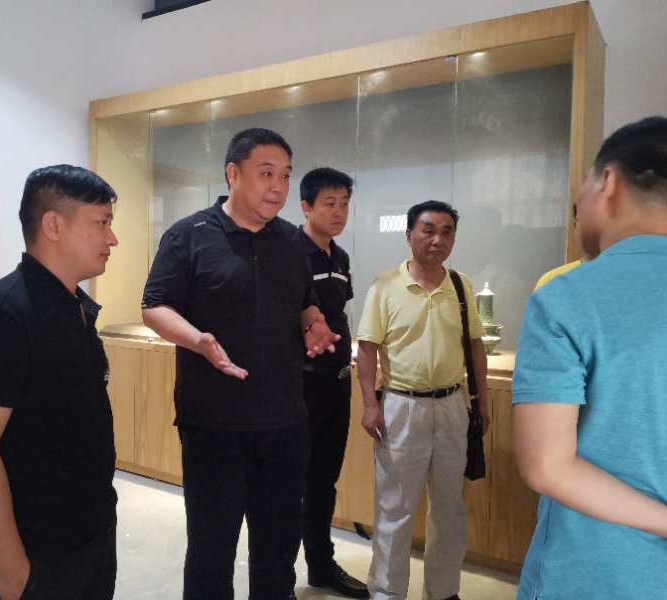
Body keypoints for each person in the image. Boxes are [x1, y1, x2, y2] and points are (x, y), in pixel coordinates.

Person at [141, 128, 340, 600]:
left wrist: (313, 322)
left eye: (285, 176)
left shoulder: (292, 241)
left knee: (277, 550)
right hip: (214, 424)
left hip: (285, 421)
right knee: (211, 550)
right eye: (266, 173)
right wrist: (198, 340)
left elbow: (304, 301)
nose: (278, 187)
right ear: (233, 174)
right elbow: (154, 306)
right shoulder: (189, 235)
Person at [0, 165, 119, 600]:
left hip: (90, 533)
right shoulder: (0, 317)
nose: (112, 238)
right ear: (53, 225)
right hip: (35, 552)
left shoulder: (75, 308)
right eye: (102, 223)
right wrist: (13, 574)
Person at [512, 116, 667, 599]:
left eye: (584, 183)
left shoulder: (568, 298)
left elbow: (547, 465)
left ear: (609, 183)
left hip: (597, 572)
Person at [357, 200, 490, 600]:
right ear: (409, 235)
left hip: (452, 406)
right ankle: (386, 592)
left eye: (447, 232)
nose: (437, 240)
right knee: (394, 509)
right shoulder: (384, 285)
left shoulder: (461, 285)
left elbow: (475, 345)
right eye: (428, 230)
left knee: (449, 509)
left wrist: (481, 401)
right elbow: (367, 348)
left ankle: (444, 592)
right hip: (401, 406)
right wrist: (369, 404)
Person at [291, 168, 368, 598]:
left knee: (324, 482)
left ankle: (321, 567)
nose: (339, 212)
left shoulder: (340, 257)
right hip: (301, 387)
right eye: (329, 204)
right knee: (291, 485)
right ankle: (278, 576)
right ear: (306, 207)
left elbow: (340, 314)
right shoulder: (290, 251)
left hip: (337, 384)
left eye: (344, 204)